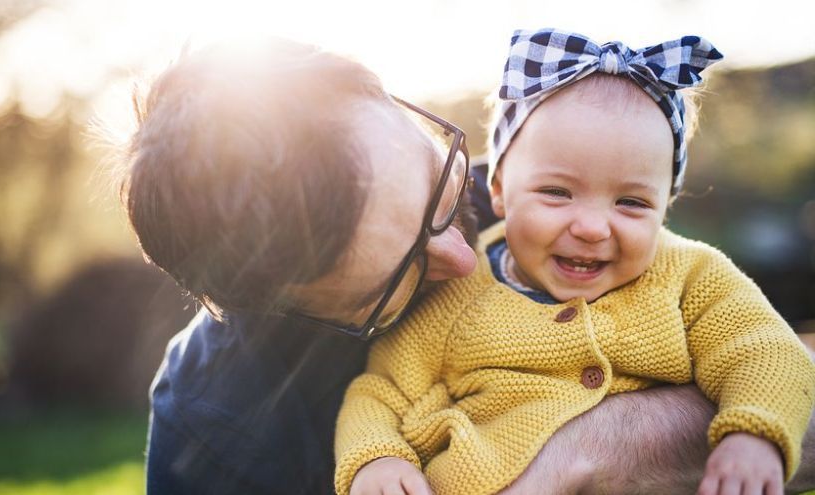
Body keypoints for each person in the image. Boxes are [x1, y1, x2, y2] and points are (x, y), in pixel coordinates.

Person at [118, 38, 815, 495]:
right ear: (279, 306)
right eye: (395, 279)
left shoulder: (557, 191)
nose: (462, 253)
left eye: (442, 185)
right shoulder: (216, 431)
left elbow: (763, 354)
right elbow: (380, 403)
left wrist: (580, 455)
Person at [335, 29, 815, 495]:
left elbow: (763, 350)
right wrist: (378, 458)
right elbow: (380, 393)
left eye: (631, 202)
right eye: (557, 192)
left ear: (666, 205)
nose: (592, 227)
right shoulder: (457, 293)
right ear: (499, 190)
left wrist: (754, 433)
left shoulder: (692, 277)